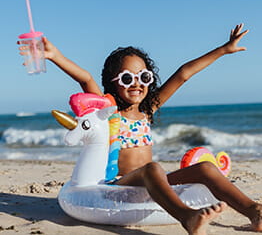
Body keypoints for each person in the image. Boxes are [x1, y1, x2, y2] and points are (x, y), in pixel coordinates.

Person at [18, 23, 262, 235]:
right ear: (112, 83)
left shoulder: (148, 109)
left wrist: (224, 49)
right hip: (117, 185)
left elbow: (184, 74)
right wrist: (54, 55)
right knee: (152, 168)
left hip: (152, 181)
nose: (136, 84)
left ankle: (254, 211)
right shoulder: (108, 110)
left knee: (207, 168)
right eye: (127, 78)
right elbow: (85, 79)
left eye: (143, 77)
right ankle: (188, 217)